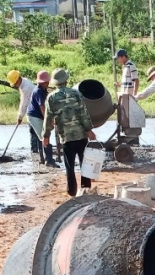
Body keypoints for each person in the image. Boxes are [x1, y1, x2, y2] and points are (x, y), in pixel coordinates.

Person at [42, 69, 96, 197]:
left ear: (55, 83)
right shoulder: (76, 94)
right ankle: (85, 188)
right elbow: (83, 114)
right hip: (81, 135)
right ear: (66, 80)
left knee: (69, 165)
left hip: (66, 137)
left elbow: (48, 118)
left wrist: (45, 136)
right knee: (84, 163)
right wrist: (89, 130)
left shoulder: (51, 97)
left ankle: (71, 191)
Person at [29, 71, 57, 168]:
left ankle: (44, 159)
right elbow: (42, 108)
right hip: (35, 116)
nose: (48, 83)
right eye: (46, 81)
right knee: (44, 136)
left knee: (43, 136)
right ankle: (48, 160)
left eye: (48, 81)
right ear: (41, 82)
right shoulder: (39, 91)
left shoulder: (44, 89)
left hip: (39, 115)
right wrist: (49, 121)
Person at [8, 69, 38, 161]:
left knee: (34, 131)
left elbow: (24, 103)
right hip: (33, 108)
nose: (15, 85)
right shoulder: (24, 82)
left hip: (35, 110)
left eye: (15, 83)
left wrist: (20, 116)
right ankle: (37, 150)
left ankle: (35, 152)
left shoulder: (26, 88)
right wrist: (20, 115)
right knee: (35, 132)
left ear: (17, 80)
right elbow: (23, 100)